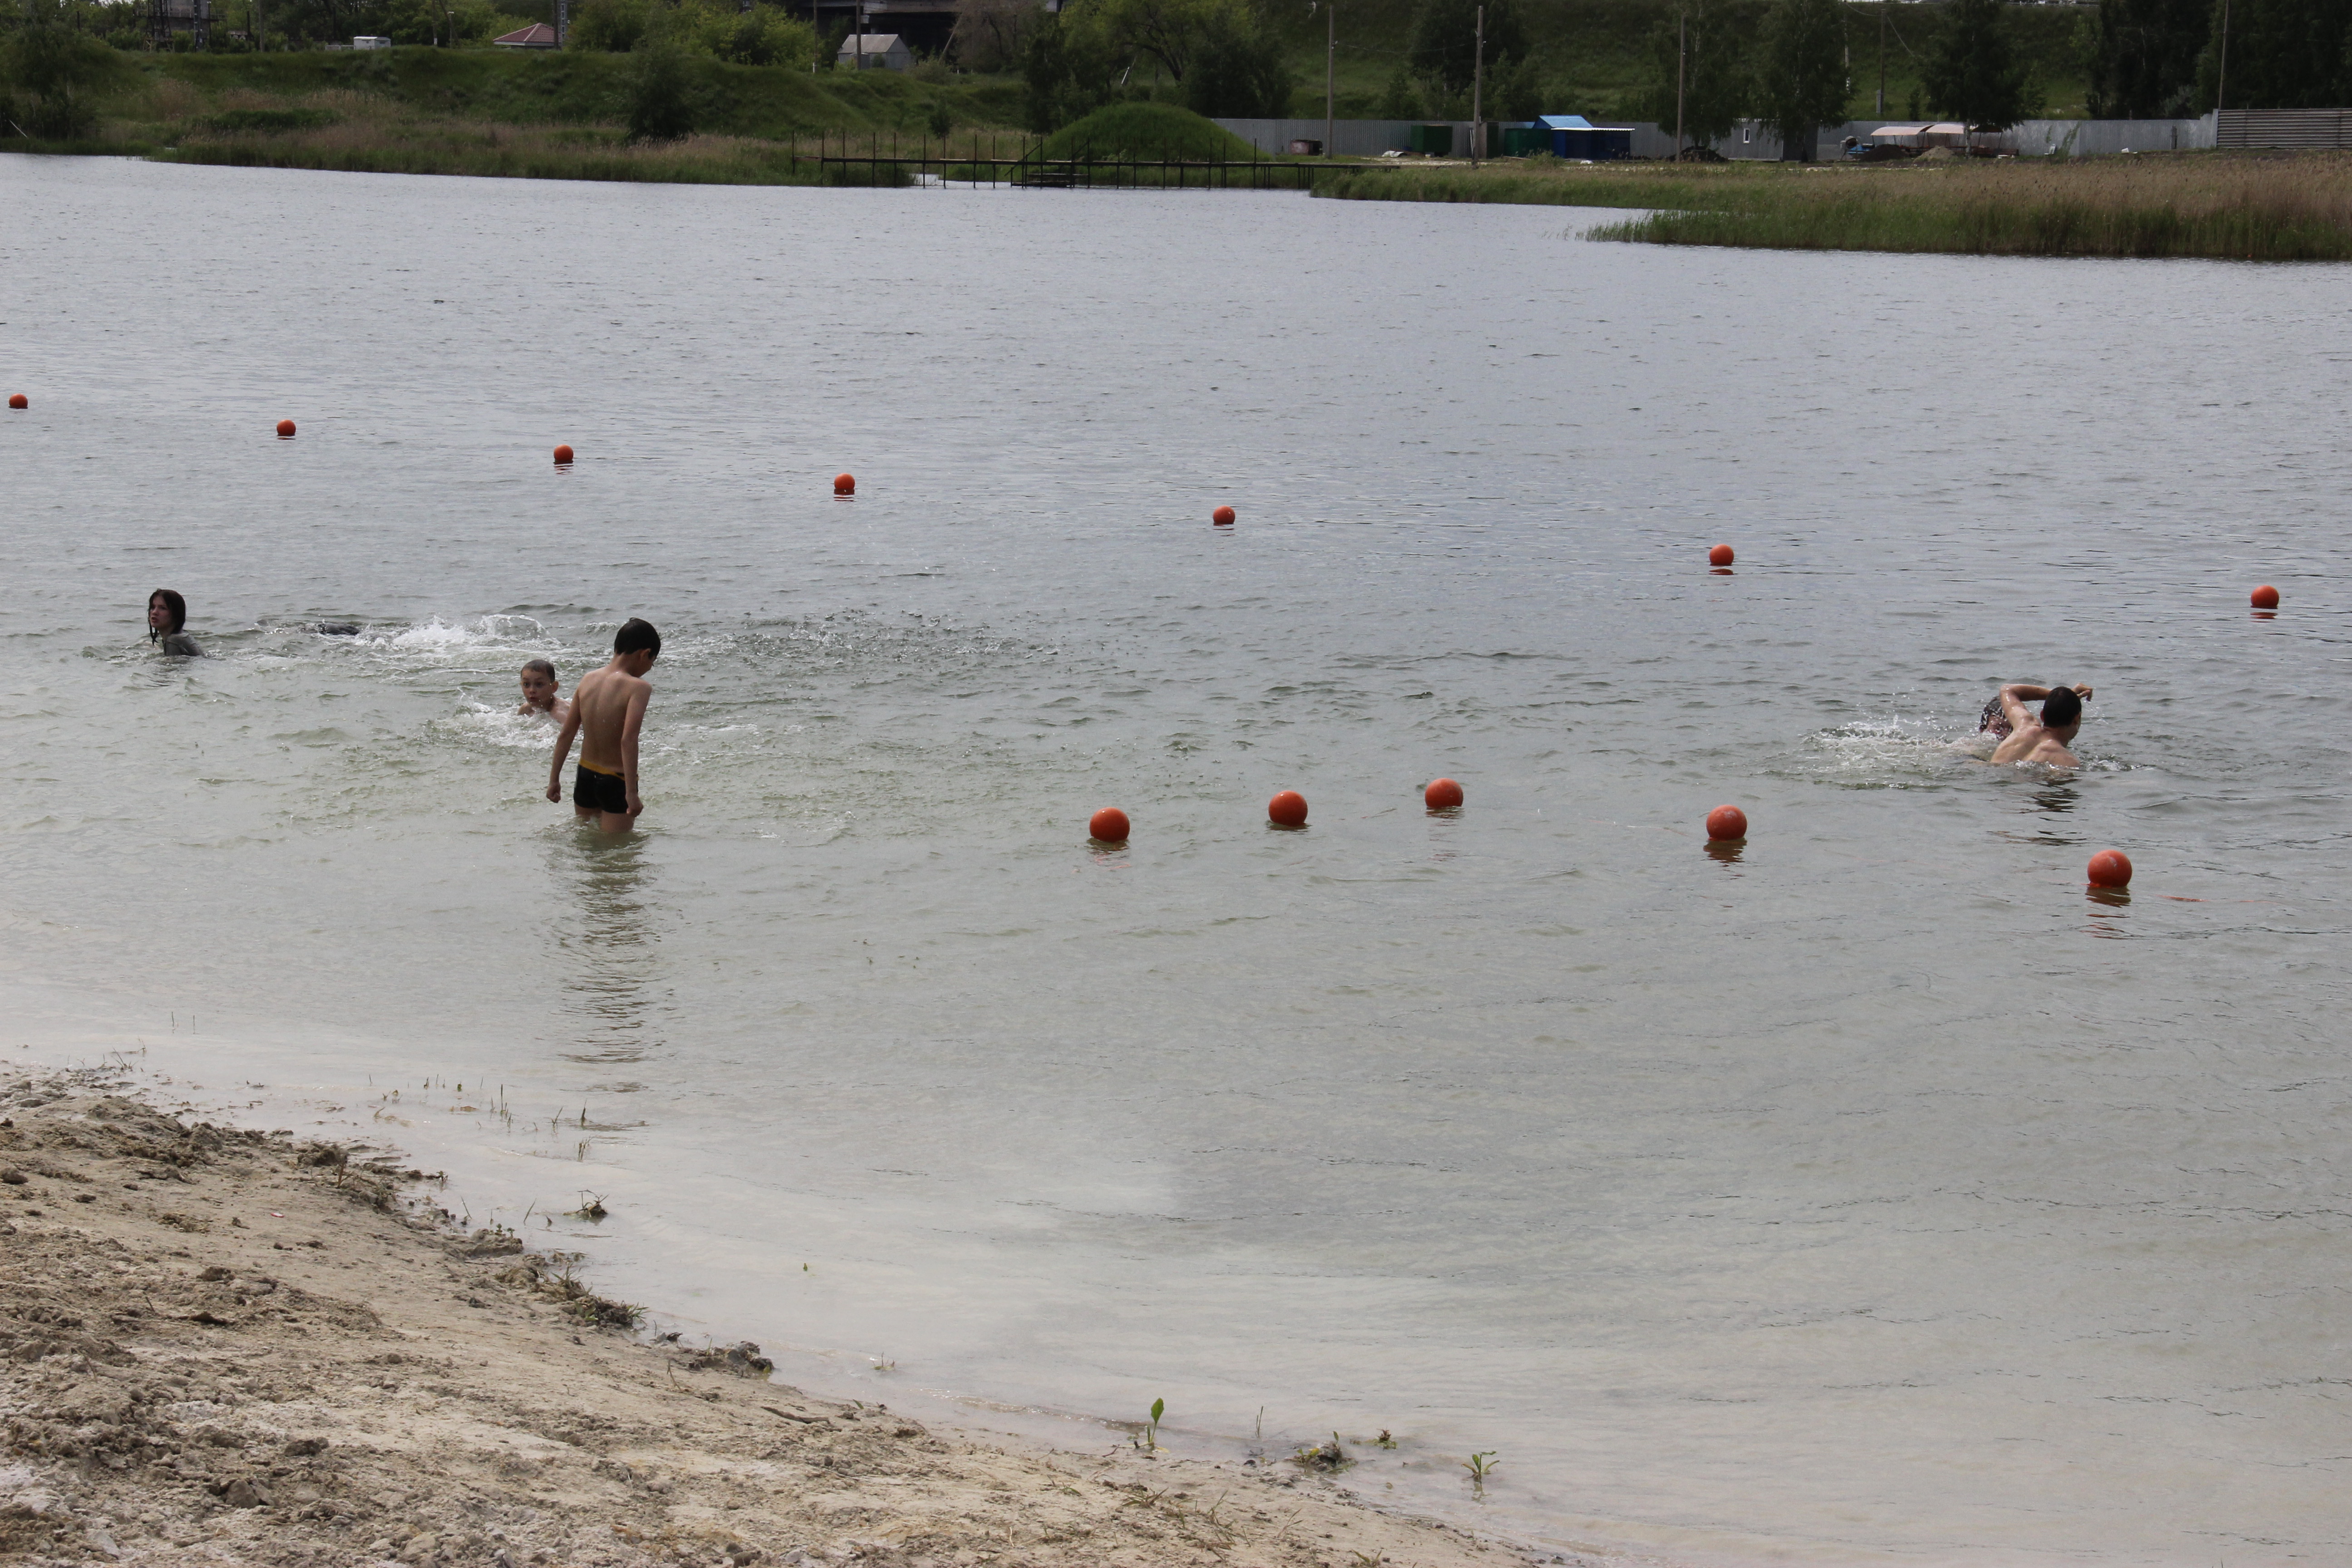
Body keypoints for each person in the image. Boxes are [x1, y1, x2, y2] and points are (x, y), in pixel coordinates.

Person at [547, 620, 659, 831]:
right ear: (645, 654)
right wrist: (632, 794)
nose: (649, 669)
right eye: (652, 662)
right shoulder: (639, 688)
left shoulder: (588, 679)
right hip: (616, 780)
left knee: (588, 847)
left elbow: (567, 733)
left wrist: (554, 780)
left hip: (585, 775)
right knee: (617, 856)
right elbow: (628, 740)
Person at [1984, 682, 2091, 767]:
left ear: (2042, 716)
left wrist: (2055, 696)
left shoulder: (2024, 725)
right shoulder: (2068, 761)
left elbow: (2007, 689)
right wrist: (2065, 700)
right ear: (2077, 719)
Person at [147, 590, 203, 657]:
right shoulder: (182, 635)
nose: (154, 612)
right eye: (153, 607)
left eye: (163, 608)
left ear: (176, 614)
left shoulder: (173, 640)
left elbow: (173, 666)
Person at [515, 658, 568, 722]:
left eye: (539, 684)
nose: (532, 690)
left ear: (554, 687)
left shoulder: (562, 715)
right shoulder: (525, 710)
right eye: (526, 684)